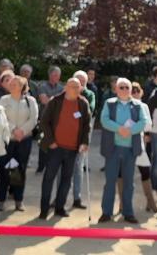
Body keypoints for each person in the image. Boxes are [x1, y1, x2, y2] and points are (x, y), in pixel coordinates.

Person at [37, 78, 90, 219]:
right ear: (66, 87)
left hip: (73, 149)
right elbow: (44, 123)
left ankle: (60, 207)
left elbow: (87, 125)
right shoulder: (55, 101)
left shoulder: (83, 103)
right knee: (49, 178)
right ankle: (44, 209)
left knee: (66, 180)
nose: (75, 89)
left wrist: (84, 142)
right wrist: (51, 141)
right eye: (72, 86)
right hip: (56, 148)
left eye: (78, 87)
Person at [98, 78, 148, 224]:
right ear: (116, 89)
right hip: (112, 149)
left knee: (129, 183)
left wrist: (130, 131)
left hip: (130, 150)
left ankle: (128, 213)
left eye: (127, 87)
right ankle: (106, 212)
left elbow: (143, 122)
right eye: (121, 87)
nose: (125, 90)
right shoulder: (109, 103)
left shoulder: (138, 105)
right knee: (110, 182)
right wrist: (119, 129)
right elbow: (104, 120)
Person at [0, 75, 38, 212]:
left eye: (15, 84)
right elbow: (1, 117)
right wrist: (14, 129)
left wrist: (22, 131)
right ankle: (1, 200)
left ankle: (18, 200)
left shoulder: (30, 101)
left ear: (21, 87)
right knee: (4, 170)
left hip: (24, 141)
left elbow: (33, 119)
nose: (11, 85)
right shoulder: (4, 100)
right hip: (8, 140)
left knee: (19, 170)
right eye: (10, 84)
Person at [129, 83, 157, 214]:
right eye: (133, 91)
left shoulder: (144, 106)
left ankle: (151, 204)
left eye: (137, 90)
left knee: (145, 172)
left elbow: (148, 125)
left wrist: (139, 128)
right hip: (125, 144)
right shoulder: (124, 106)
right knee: (124, 175)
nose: (135, 93)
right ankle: (123, 206)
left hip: (139, 145)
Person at [70, 70, 97, 210]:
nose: (80, 83)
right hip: (67, 135)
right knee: (63, 167)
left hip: (82, 135)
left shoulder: (89, 94)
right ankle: (59, 198)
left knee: (78, 166)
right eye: (78, 80)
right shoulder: (67, 93)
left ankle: (77, 197)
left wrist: (74, 114)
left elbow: (89, 110)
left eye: (83, 81)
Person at [34, 66, 64, 173]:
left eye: (58, 75)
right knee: (44, 142)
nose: (57, 77)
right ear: (49, 75)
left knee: (55, 143)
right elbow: (44, 101)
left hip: (57, 120)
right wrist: (57, 99)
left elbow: (62, 103)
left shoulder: (61, 87)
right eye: (55, 75)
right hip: (45, 119)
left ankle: (51, 165)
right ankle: (41, 166)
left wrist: (51, 98)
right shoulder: (42, 86)